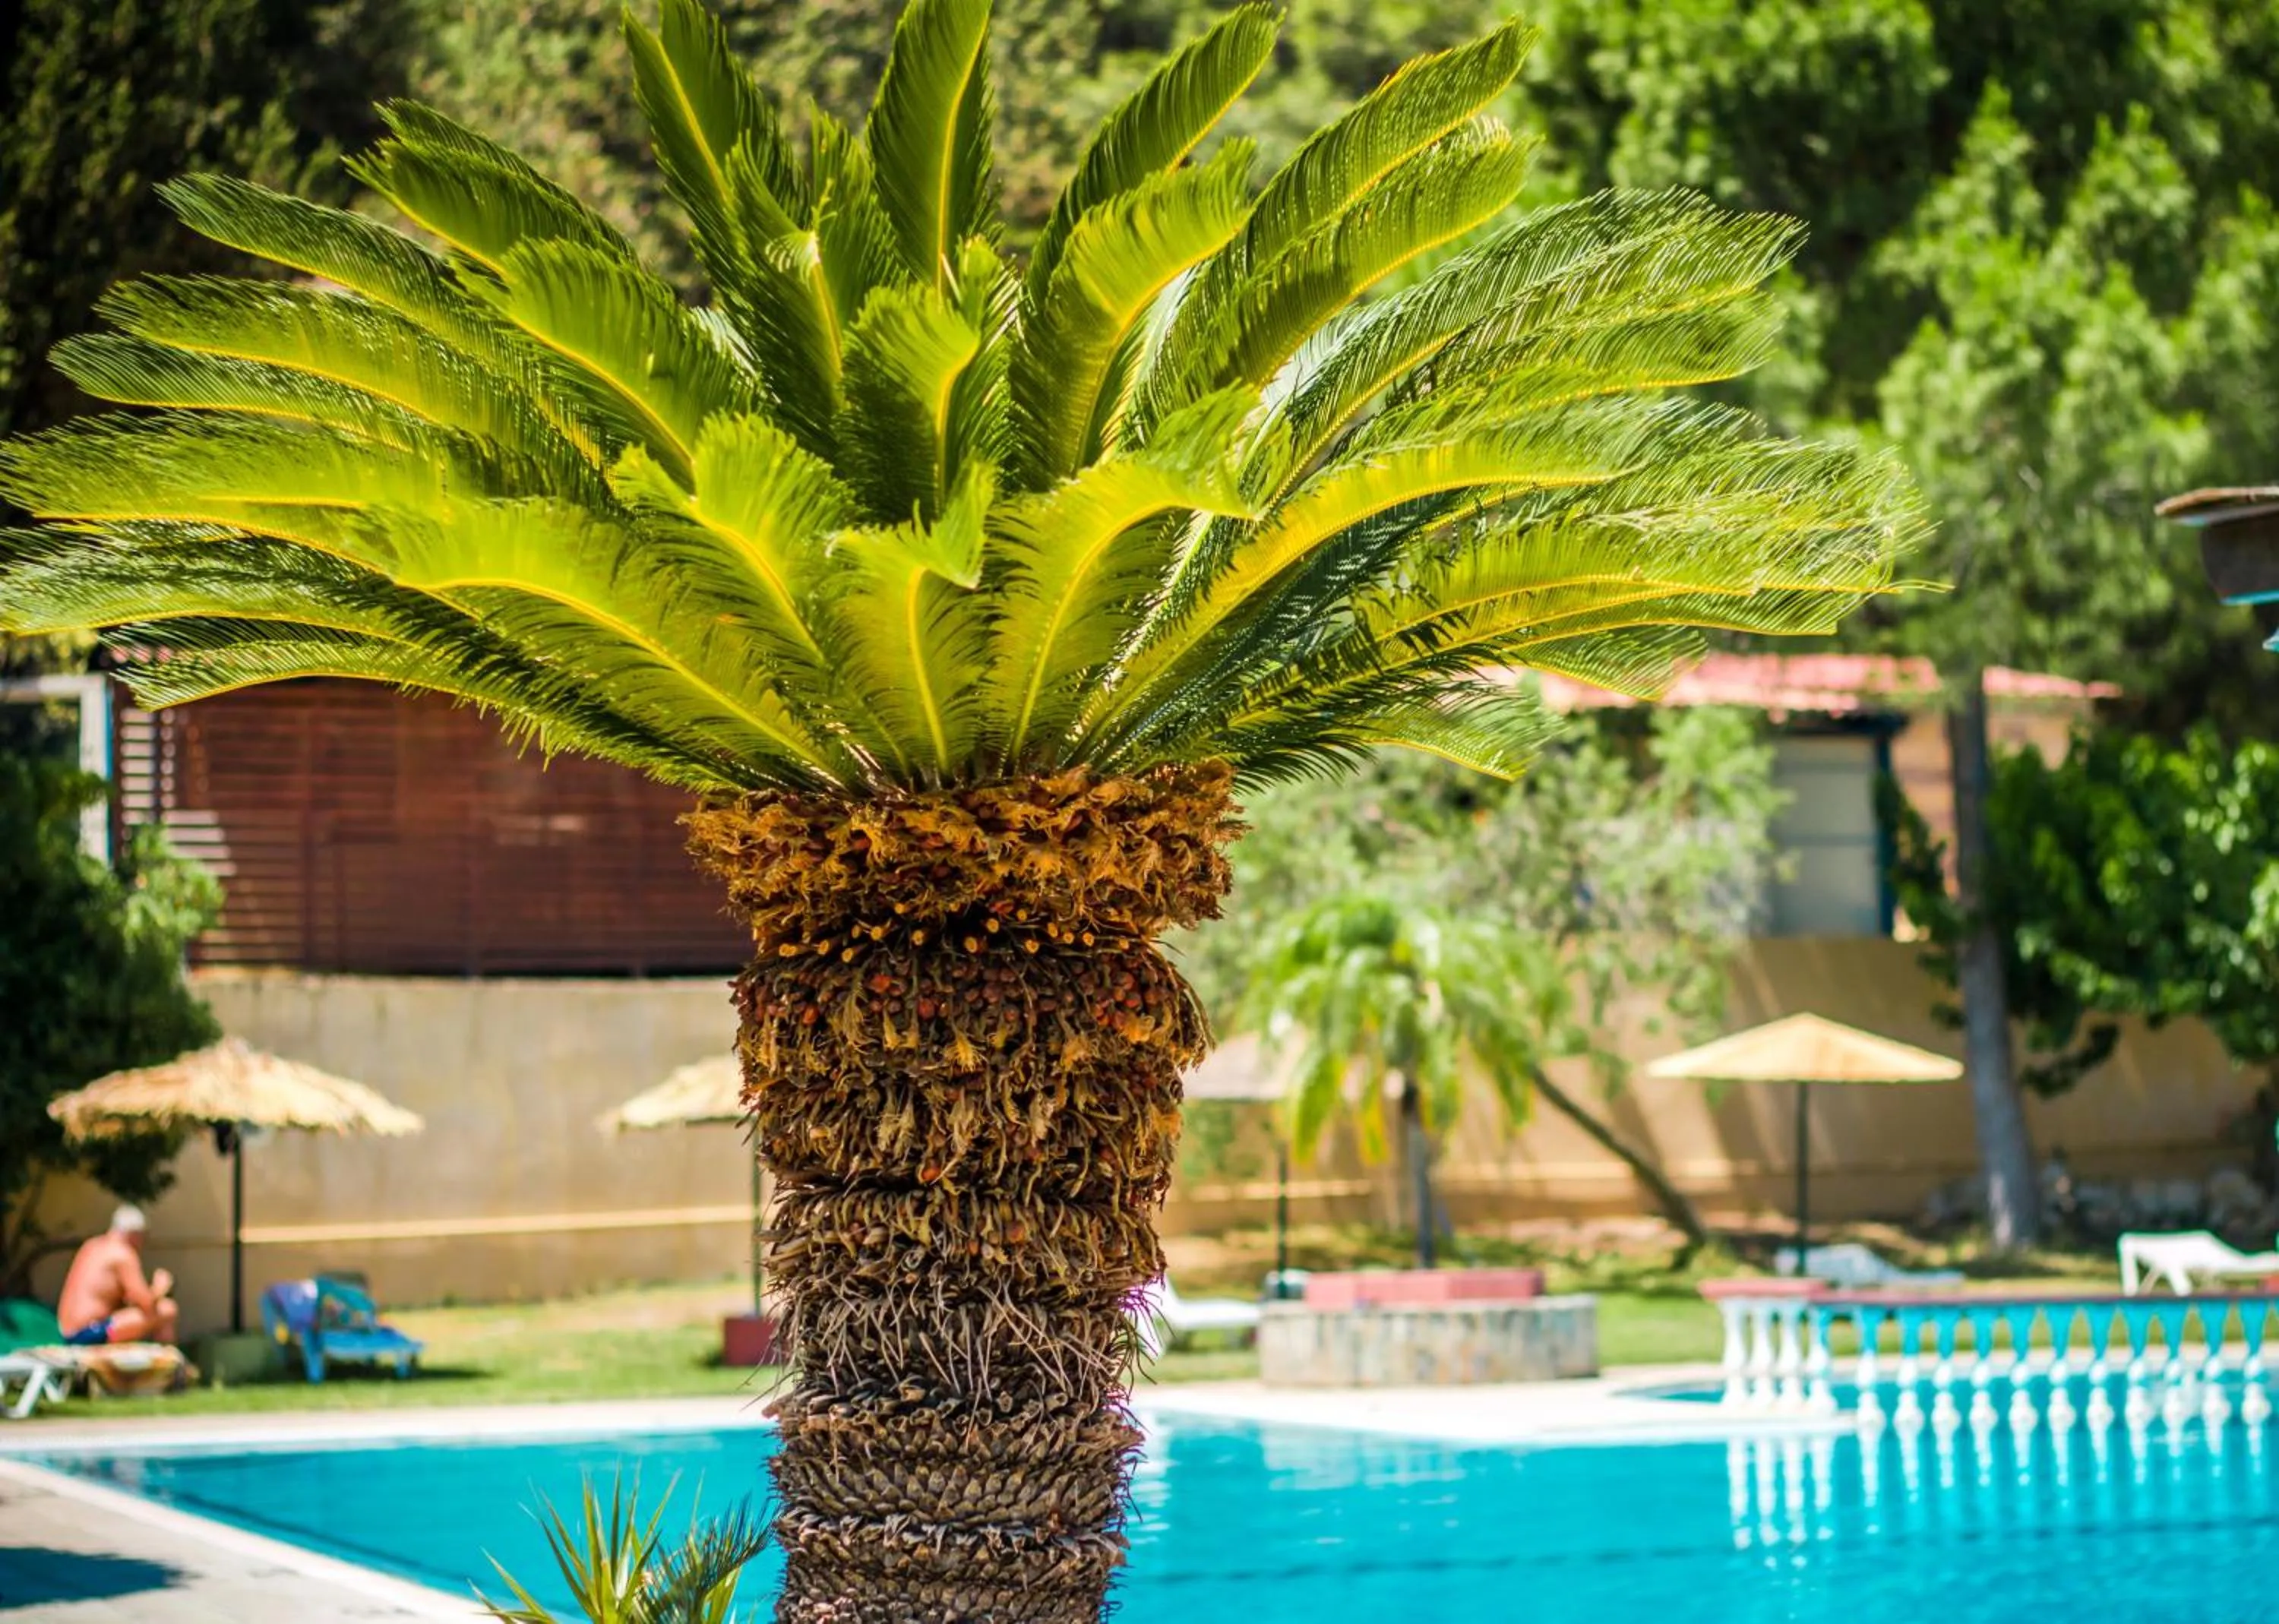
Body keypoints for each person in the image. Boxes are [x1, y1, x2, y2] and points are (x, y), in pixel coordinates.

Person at [57, 1205, 179, 1346]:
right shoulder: (123, 1254)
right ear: (135, 1235)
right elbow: (147, 1305)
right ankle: (167, 1355)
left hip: (68, 1333)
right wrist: (160, 1288)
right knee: (167, 1309)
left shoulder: (92, 1245)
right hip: (89, 1334)